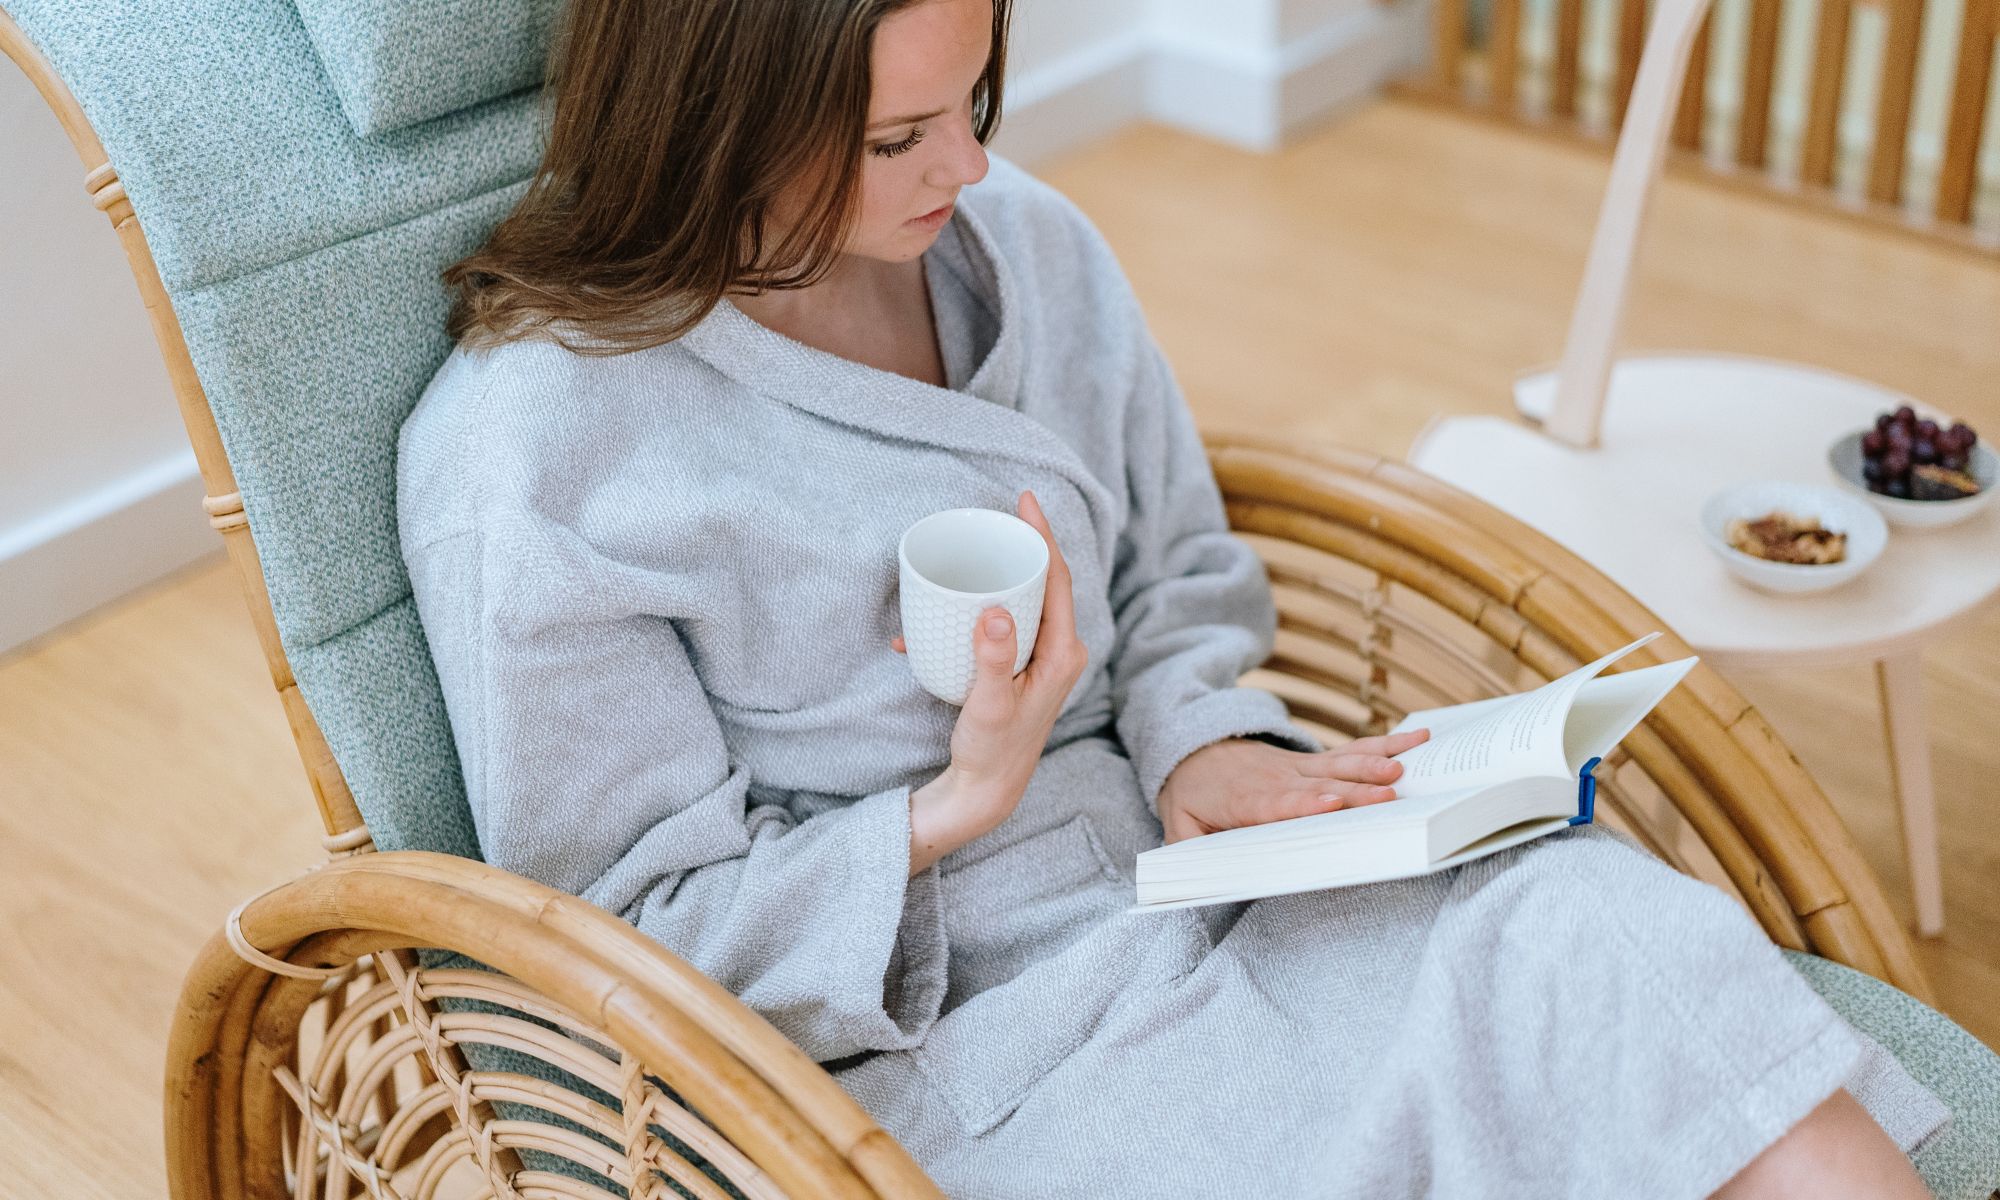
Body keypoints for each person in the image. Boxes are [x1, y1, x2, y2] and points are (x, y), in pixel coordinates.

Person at [393, 0, 1952, 1195]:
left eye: (977, 99)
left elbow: (1181, 566)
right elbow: (627, 937)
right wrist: (946, 808)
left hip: (1212, 872)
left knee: (1594, 930)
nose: (973, 166)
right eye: (898, 139)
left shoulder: (1028, 253)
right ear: (709, 123)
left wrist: (1200, 735)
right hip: (967, 1029)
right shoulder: (540, 451)